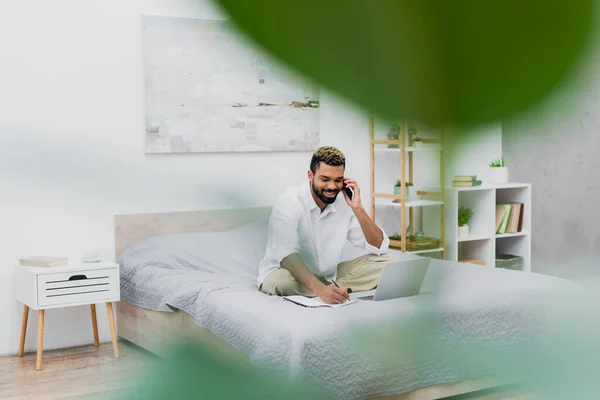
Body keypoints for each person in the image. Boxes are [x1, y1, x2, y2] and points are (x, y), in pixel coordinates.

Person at [257, 146, 395, 304]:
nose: (332, 186)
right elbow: (286, 255)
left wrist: (358, 208)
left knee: (388, 263)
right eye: (325, 179)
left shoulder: (344, 201)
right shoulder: (289, 201)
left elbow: (379, 247)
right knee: (281, 282)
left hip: (330, 276)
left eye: (338, 180)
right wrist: (319, 289)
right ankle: (326, 290)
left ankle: (330, 289)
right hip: (288, 274)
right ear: (311, 175)